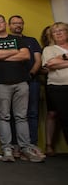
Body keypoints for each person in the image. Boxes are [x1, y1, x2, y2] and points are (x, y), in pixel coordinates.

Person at [0, 14, 44, 163]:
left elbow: (26, 56)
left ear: (5, 24)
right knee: (3, 116)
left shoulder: (17, 38)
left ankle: (24, 148)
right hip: (0, 83)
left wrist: (2, 55)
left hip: (21, 82)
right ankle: (7, 149)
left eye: (1, 22)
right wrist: (15, 52)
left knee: (21, 116)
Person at [8, 15, 42, 156]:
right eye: (15, 23)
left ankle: (31, 145)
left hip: (31, 80)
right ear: (9, 25)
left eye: (20, 23)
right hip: (12, 81)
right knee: (13, 114)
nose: (18, 25)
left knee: (32, 113)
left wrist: (31, 74)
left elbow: (37, 60)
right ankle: (16, 145)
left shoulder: (31, 41)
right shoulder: (7, 41)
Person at [42, 22, 68, 145]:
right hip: (59, 87)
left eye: (61, 30)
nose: (58, 33)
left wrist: (60, 60)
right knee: (65, 118)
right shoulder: (49, 49)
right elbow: (50, 64)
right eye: (55, 32)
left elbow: (55, 63)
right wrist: (65, 56)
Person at [40, 26, 57, 156]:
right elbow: (47, 66)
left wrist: (59, 61)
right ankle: (49, 145)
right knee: (52, 114)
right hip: (53, 85)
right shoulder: (46, 50)